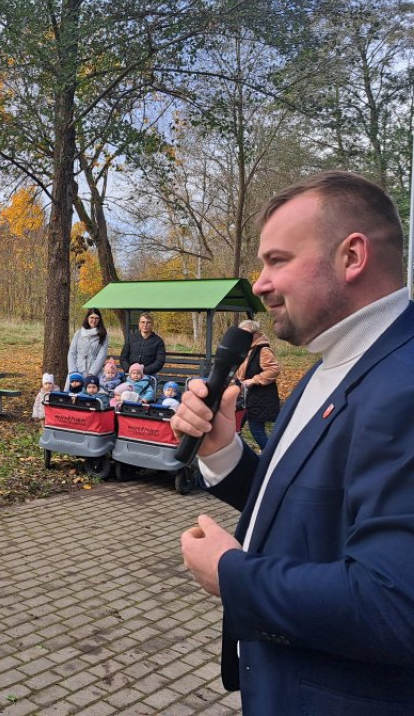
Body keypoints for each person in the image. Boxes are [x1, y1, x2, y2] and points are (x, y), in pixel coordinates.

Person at [173, 171, 414, 714]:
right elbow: (309, 510)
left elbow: (395, 604)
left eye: (277, 260)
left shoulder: (404, 384)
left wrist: (234, 577)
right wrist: (222, 450)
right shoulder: (333, 363)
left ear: (352, 256)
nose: (259, 283)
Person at [234, 320, 281, 450]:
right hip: (246, 397)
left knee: (256, 429)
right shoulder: (246, 348)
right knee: (235, 427)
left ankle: (270, 457)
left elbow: (274, 370)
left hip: (261, 396)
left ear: (254, 334)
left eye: (245, 333)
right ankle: (239, 454)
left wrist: (253, 380)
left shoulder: (263, 350)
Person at [119, 312, 166, 376]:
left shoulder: (158, 341)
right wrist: (130, 369)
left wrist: (142, 370)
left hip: (148, 375)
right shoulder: (131, 338)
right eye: (143, 322)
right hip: (130, 374)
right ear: (139, 324)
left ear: (152, 324)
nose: (145, 325)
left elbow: (159, 362)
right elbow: (123, 358)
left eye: (148, 322)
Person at [67, 308, 109, 379]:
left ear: (99, 320)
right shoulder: (78, 333)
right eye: (92, 317)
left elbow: (101, 356)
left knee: (91, 388)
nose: (94, 320)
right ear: (87, 318)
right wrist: (73, 371)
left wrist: (92, 373)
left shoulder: (103, 335)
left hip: (94, 371)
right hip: (77, 369)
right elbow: (72, 353)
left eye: (96, 318)